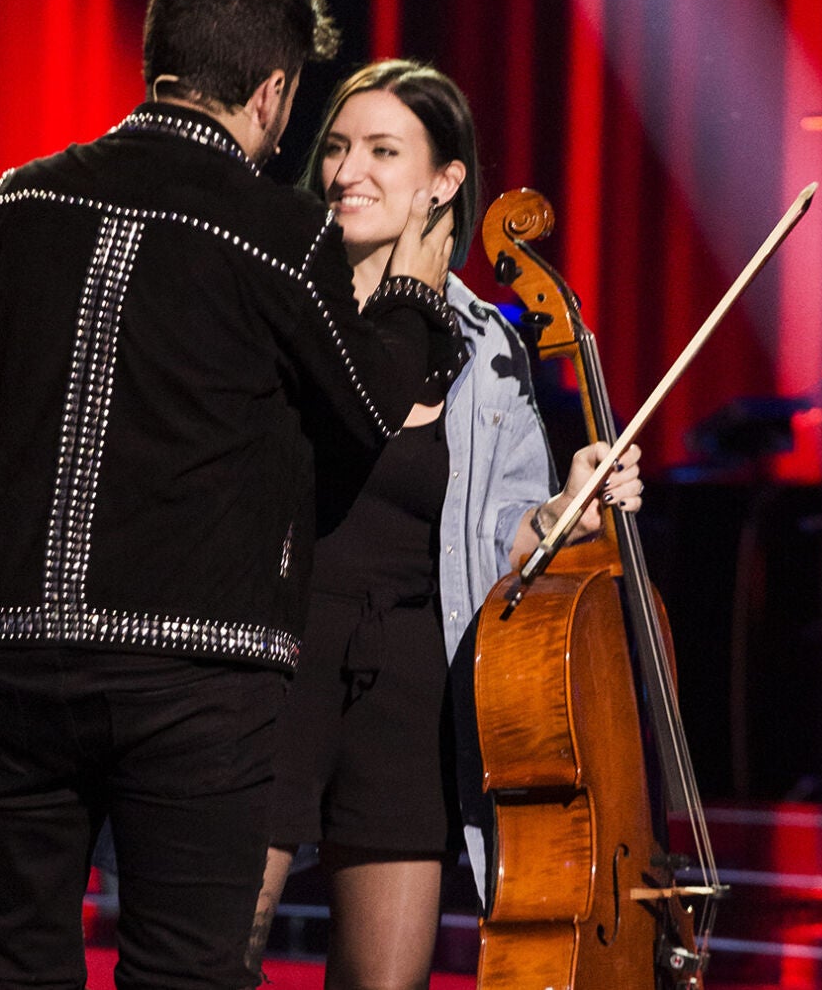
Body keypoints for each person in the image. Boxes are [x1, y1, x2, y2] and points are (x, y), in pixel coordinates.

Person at [0, 0, 460, 990]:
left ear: (155, 59)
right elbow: (366, 409)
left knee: (11, 962)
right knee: (183, 969)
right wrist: (412, 295)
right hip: (195, 672)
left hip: (6, 653)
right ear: (274, 91)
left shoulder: (9, 206)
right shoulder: (279, 233)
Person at [243, 60, 645, 989]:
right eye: (338, 147)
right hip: (279, 655)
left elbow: (506, 531)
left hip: (413, 683)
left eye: (384, 151)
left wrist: (561, 508)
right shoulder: (282, 305)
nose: (349, 171)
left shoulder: (490, 343)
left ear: (445, 180)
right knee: (216, 950)